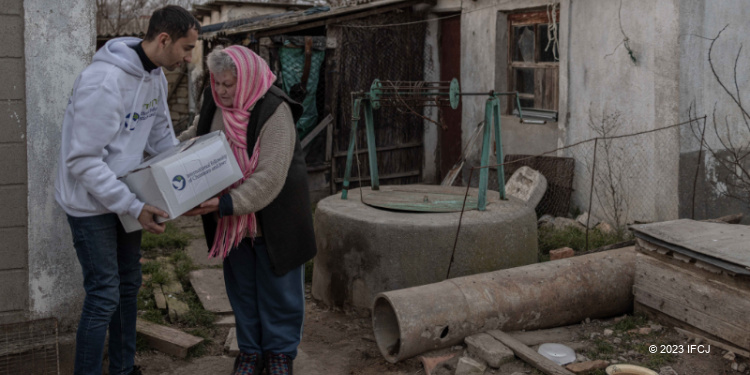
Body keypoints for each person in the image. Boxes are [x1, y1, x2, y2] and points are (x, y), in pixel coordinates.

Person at [54, 6, 200, 375]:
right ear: (163, 39)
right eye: (186, 47)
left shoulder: (155, 79)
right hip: (90, 205)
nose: (189, 57)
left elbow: (161, 140)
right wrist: (133, 206)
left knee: (128, 286)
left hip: (127, 200)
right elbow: (83, 161)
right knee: (104, 295)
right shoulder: (103, 81)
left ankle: (122, 369)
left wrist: (191, 186)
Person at [180, 45, 316, 375]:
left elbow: (270, 176)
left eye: (229, 85)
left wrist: (225, 203)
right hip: (233, 223)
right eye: (217, 83)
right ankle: (251, 351)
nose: (222, 91)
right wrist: (169, 155)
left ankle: (280, 353)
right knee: (242, 287)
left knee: (279, 290)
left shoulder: (274, 110)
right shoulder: (214, 102)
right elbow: (197, 134)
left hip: (274, 217)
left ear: (247, 80)